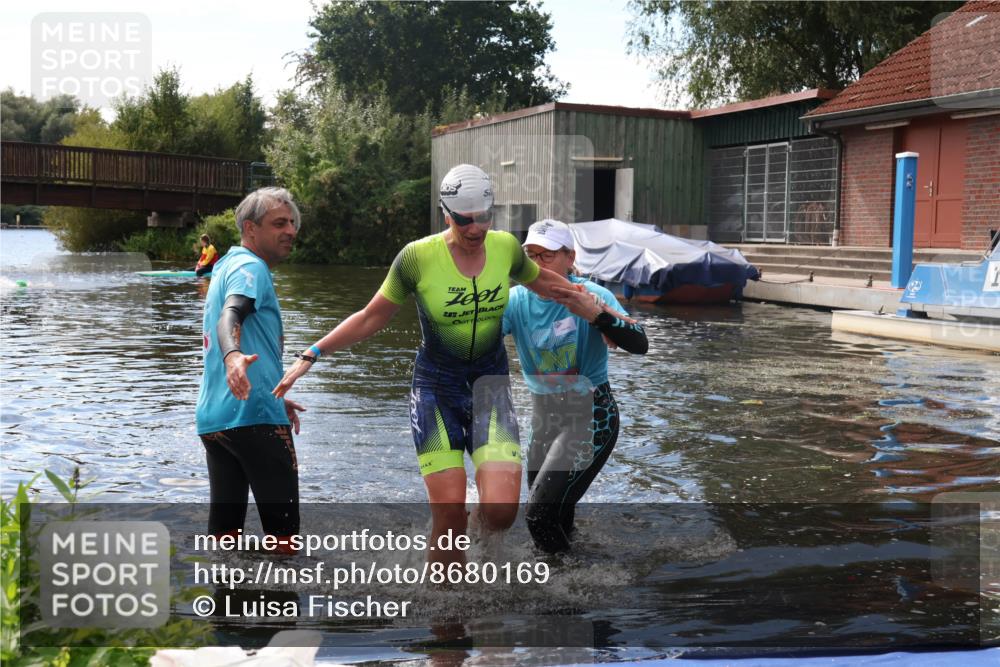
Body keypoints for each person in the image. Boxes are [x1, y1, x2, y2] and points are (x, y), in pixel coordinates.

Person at [272, 165, 592, 564]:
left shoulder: (506, 248)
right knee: (449, 515)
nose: (475, 229)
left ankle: (479, 549)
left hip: (490, 387)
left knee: (501, 512)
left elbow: (542, 281)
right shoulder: (417, 258)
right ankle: (446, 612)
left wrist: (594, 305)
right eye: (463, 220)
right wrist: (312, 354)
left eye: (483, 218)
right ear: (446, 213)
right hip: (436, 390)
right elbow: (372, 316)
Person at [503, 219, 648, 553]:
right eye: (531, 255)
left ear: (570, 257)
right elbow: (476, 345)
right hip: (544, 421)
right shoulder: (515, 301)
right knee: (555, 513)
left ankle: (566, 590)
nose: (537, 264)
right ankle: (569, 584)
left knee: (538, 516)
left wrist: (597, 315)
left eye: (547, 255)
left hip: (591, 415)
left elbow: (640, 344)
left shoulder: (593, 294)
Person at [195, 187, 306, 554]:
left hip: (216, 419)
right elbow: (232, 314)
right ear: (250, 228)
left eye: (291, 222)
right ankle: (286, 610)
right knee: (285, 542)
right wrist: (233, 358)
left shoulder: (226, 264)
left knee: (224, 541)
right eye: (279, 223)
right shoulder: (250, 267)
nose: (290, 230)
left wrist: (274, 393)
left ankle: (224, 608)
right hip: (254, 415)